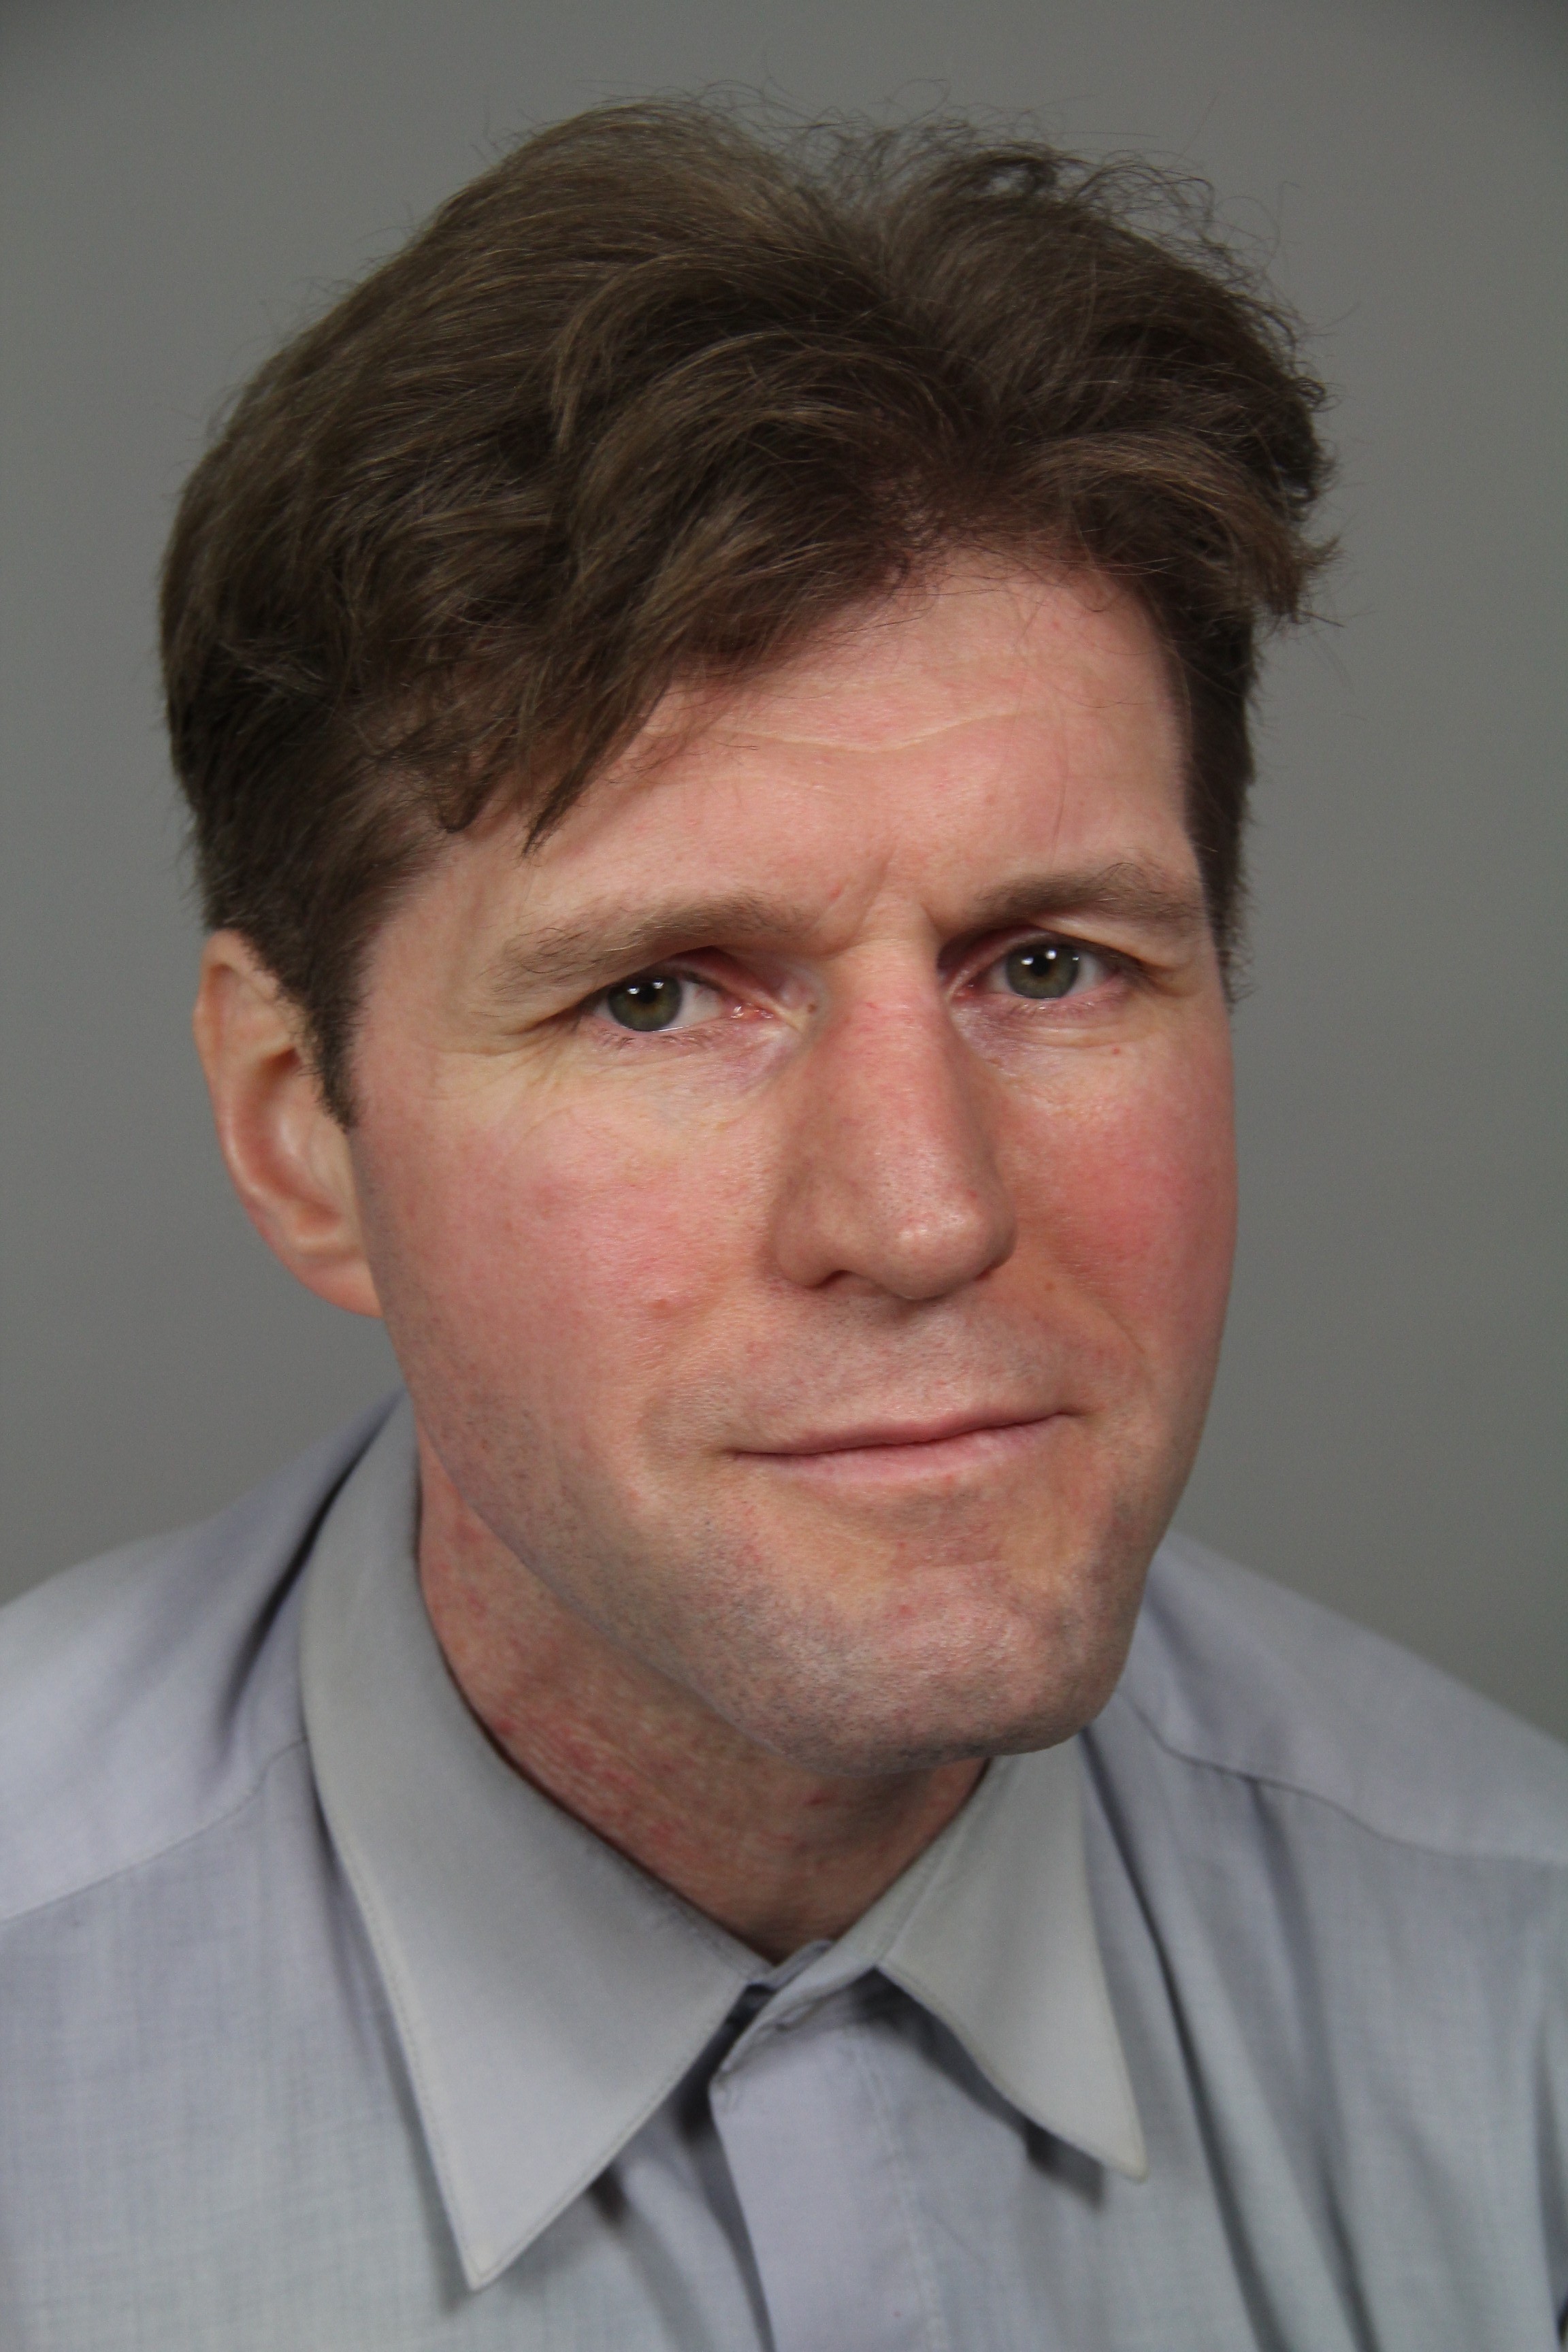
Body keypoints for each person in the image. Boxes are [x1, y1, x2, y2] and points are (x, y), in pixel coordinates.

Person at [1, 98, 1563, 2351]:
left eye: (1050, 964)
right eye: (658, 996)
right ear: (297, 1130)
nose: (923, 1213)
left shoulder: (1526, 1992)